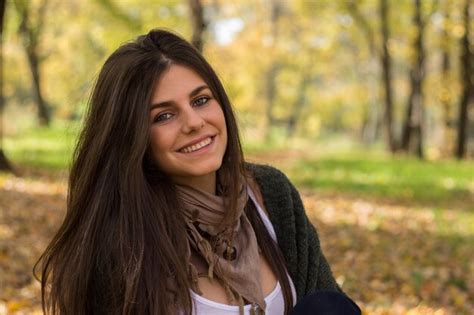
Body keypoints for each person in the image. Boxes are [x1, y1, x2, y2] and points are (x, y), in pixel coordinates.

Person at [35, 29, 358, 315]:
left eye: (201, 100)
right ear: (130, 136)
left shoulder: (271, 193)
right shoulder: (121, 240)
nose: (193, 122)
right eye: (163, 116)